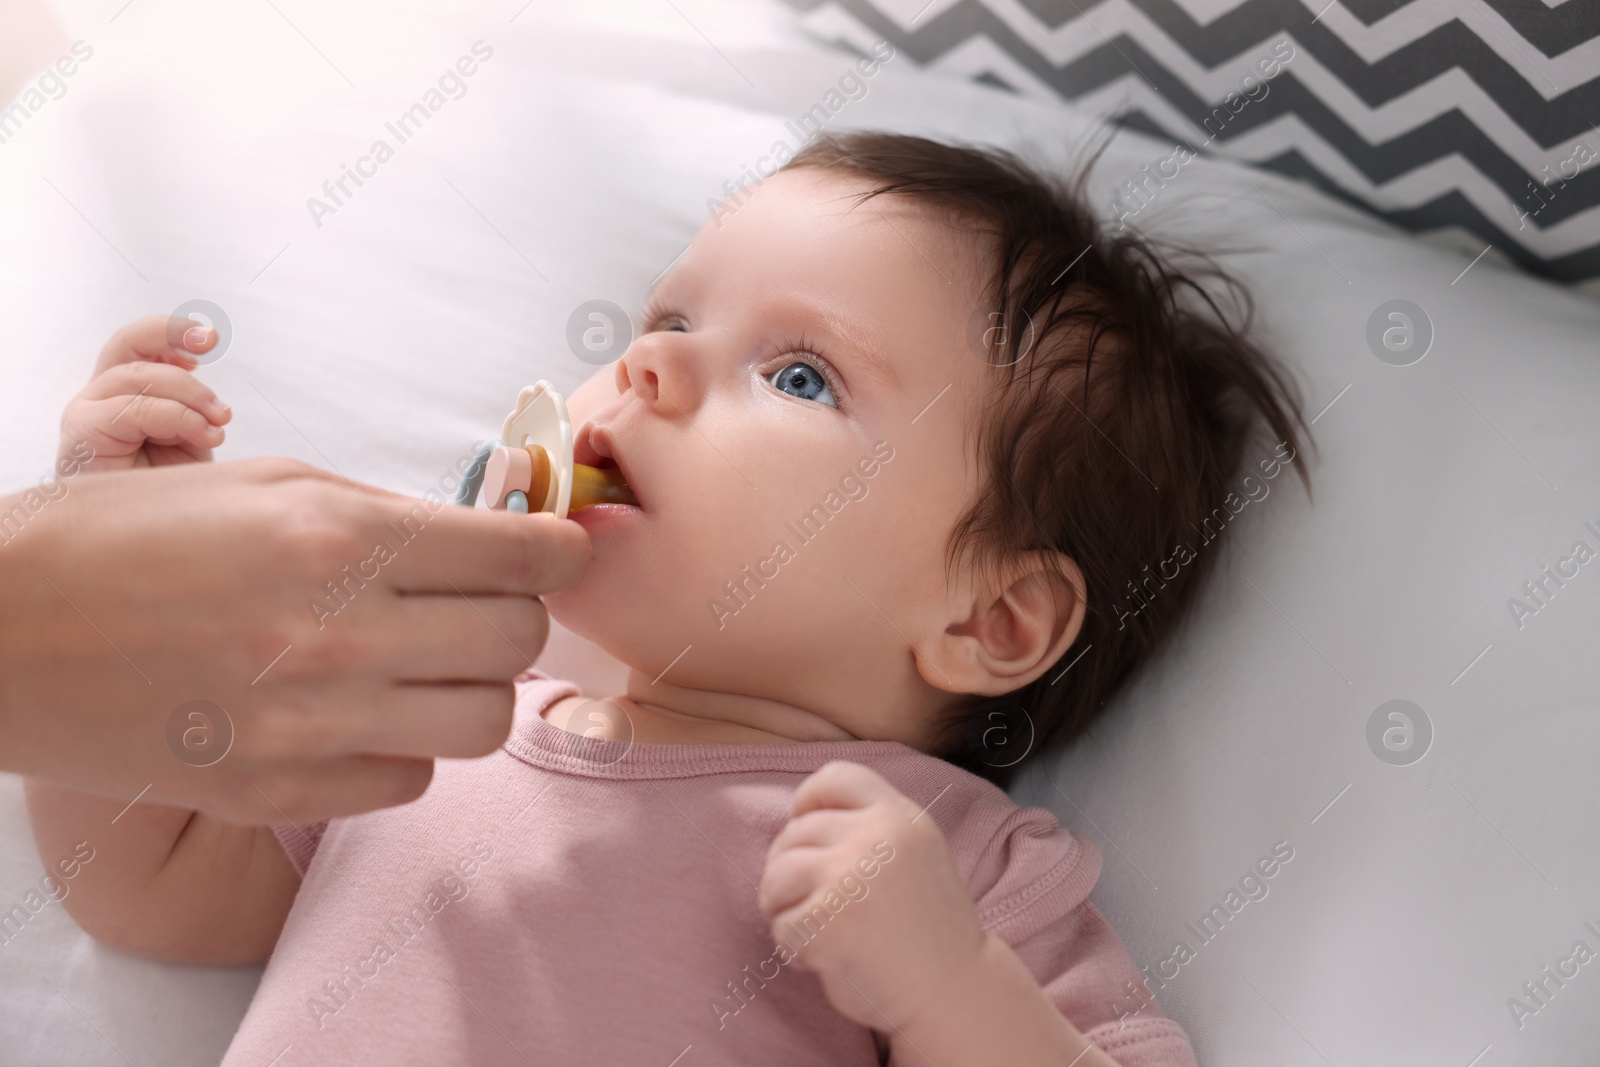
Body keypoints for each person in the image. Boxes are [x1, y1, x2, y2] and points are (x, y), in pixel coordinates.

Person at [0, 318, 590, 824]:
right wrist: (117, 541)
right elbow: (134, 888)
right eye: (665, 323)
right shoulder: (395, 700)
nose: (649, 357)